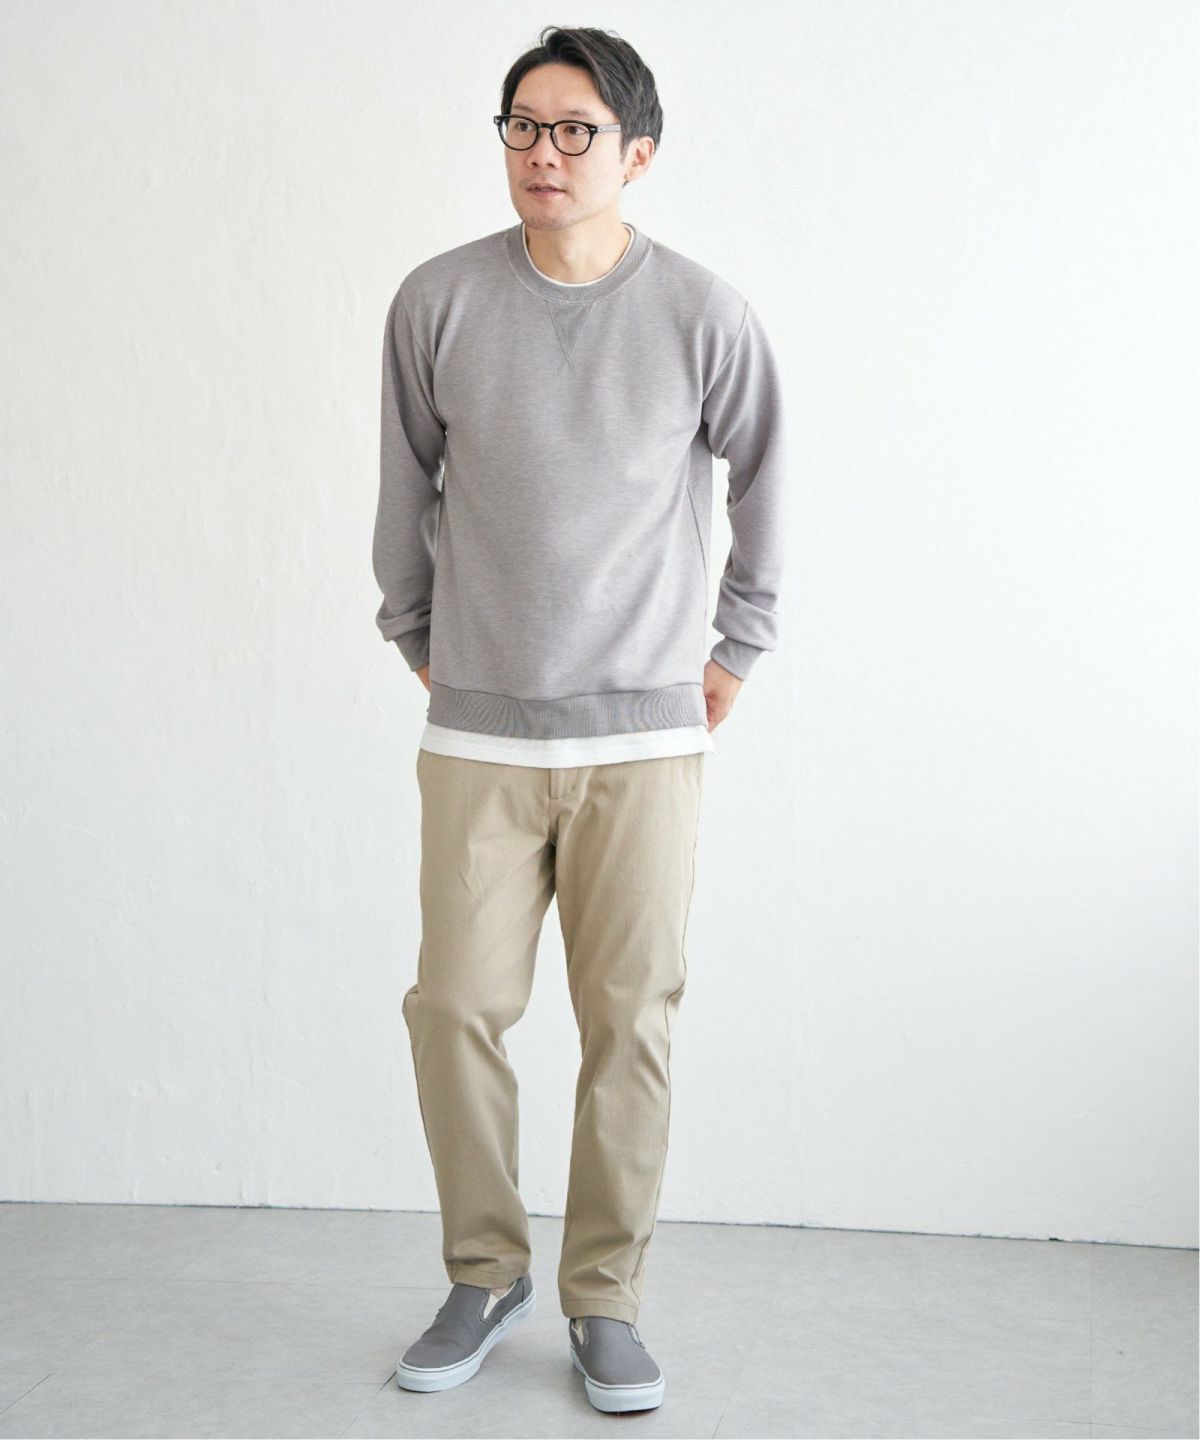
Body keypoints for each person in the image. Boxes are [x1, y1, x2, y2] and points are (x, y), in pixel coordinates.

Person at [372, 24, 787, 1416]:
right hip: (481, 736)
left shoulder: (704, 313)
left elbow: (767, 475)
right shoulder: (438, 300)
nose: (542, 154)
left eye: (575, 131)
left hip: (643, 743)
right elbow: (404, 486)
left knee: (631, 1021)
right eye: (523, 127)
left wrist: (738, 645)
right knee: (455, 1008)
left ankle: (604, 1298)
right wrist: (416, 632)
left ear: (637, 153)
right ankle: (484, 1272)